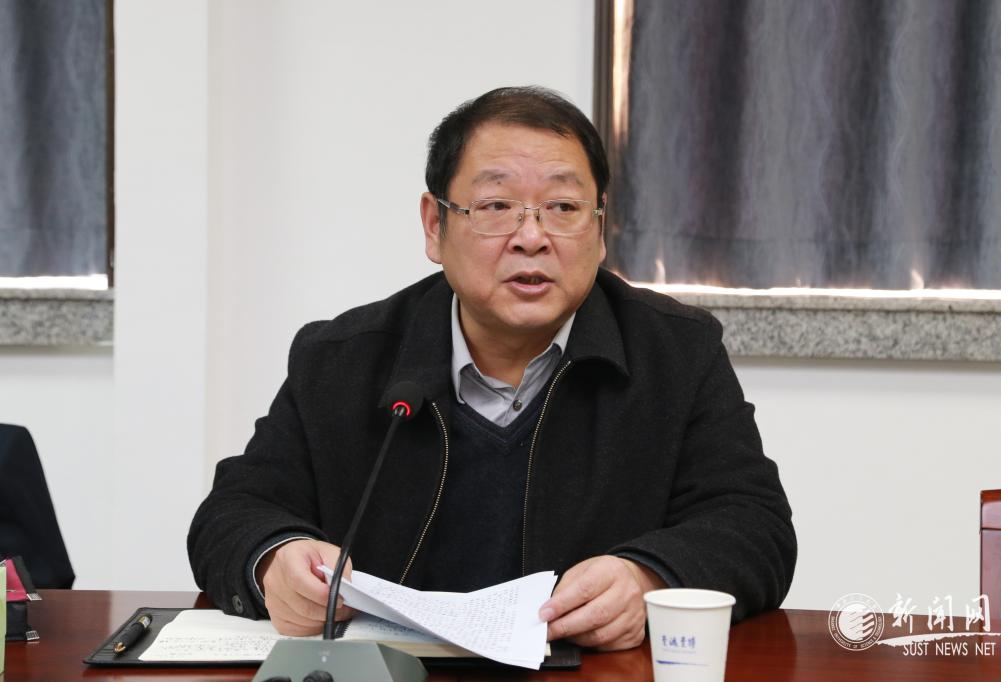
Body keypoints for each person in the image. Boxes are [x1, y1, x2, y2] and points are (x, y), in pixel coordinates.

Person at [187, 85, 797, 652]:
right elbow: (233, 511)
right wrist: (274, 560)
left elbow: (755, 526)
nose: (532, 237)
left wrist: (650, 577)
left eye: (563, 206)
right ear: (435, 225)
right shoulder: (340, 358)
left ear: (600, 227)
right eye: (497, 205)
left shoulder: (677, 353)